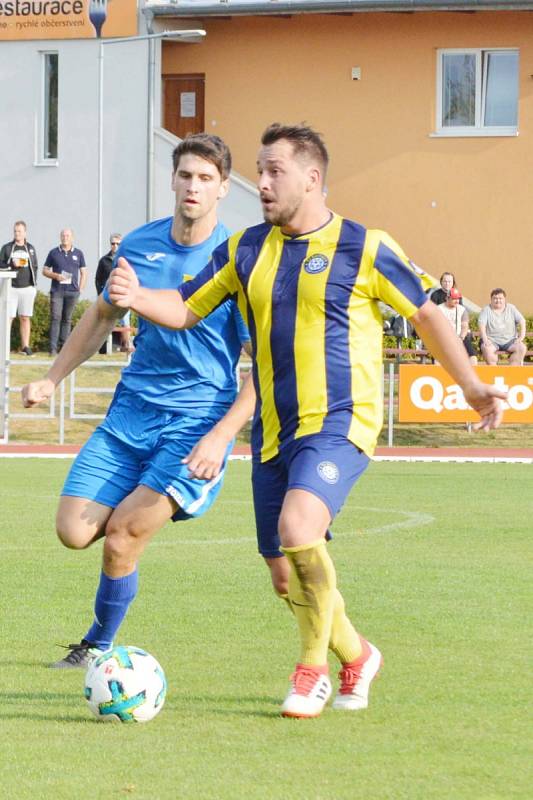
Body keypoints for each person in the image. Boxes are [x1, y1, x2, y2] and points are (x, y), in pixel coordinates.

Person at [108, 123, 506, 719]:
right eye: (261, 172)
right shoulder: (246, 249)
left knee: (300, 530)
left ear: (312, 179)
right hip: (273, 429)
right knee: (286, 576)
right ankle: (359, 654)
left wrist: (472, 385)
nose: (262, 183)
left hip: (341, 422)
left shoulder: (363, 246)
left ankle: (312, 669)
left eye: (274, 173)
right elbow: (187, 307)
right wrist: (137, 296)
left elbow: (427, 314)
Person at [21, 134, 254, 668]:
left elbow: (263, 363)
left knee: (122, 535)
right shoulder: (140, 246)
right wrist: (51, 379)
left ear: (222, 189)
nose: (193, 186)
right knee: (73, 532)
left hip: (195, 423)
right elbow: (102, 316)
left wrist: (223, 436)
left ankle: (97, 647)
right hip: (130, 414)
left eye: (206, 178)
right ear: (172, 180)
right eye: (186, 175)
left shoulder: (235, 261)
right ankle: (134, 517)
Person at [43, 228, 87, 355]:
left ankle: (64, 349)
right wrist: (56, 276)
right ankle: (52, 349)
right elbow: (44, 270)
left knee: (67, 320)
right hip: (57, 291)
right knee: (56, 318)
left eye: (67, 235)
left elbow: (84, 272)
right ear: (60, 237)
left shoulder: (78, 253)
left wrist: (81, 288)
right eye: (63, 235)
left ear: (72, 237)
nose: (65, 237)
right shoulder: (53, 253)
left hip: (72, 292)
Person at [0, 221, 39, 356]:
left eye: (20, 231)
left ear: (25, 233)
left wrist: (33, 285)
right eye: (15, 231)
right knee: (8, 317)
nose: (17, 233)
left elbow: (34, 266)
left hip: (27, 288)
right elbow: (1, 264)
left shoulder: (31, 248)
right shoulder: (7, 248)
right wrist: (12, 263)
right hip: (11, 288)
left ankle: (25, 346)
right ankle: (4, 346)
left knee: (25, 317)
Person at [95, 234, 131, 353]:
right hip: (108, 296)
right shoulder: (104, 260)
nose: (115, 246)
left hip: (123, 295)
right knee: (105, 322)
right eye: (113, 243)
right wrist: (100, 294)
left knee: (125, 322)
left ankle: (127, 346)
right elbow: (98, 279)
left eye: (118, 244)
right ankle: (102, 349)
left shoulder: (127, 260)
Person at [478, 288, 527, 365]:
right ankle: (494, 372)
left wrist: (521, 337)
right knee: (486, 349)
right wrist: (485, 339)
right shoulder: (486, 310)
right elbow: (482, 325)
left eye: (500, 298)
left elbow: (522, 321)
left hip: (510, 340)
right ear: (491, 299)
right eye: (495, 298)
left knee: (522, 348)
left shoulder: (511, 308)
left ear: (504, 299)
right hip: (492, 340)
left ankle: (512, 371)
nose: (498, 300)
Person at [437, 287, 477, 365]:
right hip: (444, 338)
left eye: (458, 299)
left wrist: (461, 337)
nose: (457, 301)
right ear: (447, 298)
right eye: (454, 299)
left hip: (460, 337)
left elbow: (465, 326)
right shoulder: (439, 309)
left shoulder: (462, 310)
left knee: (473, 357)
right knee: (438, 359)